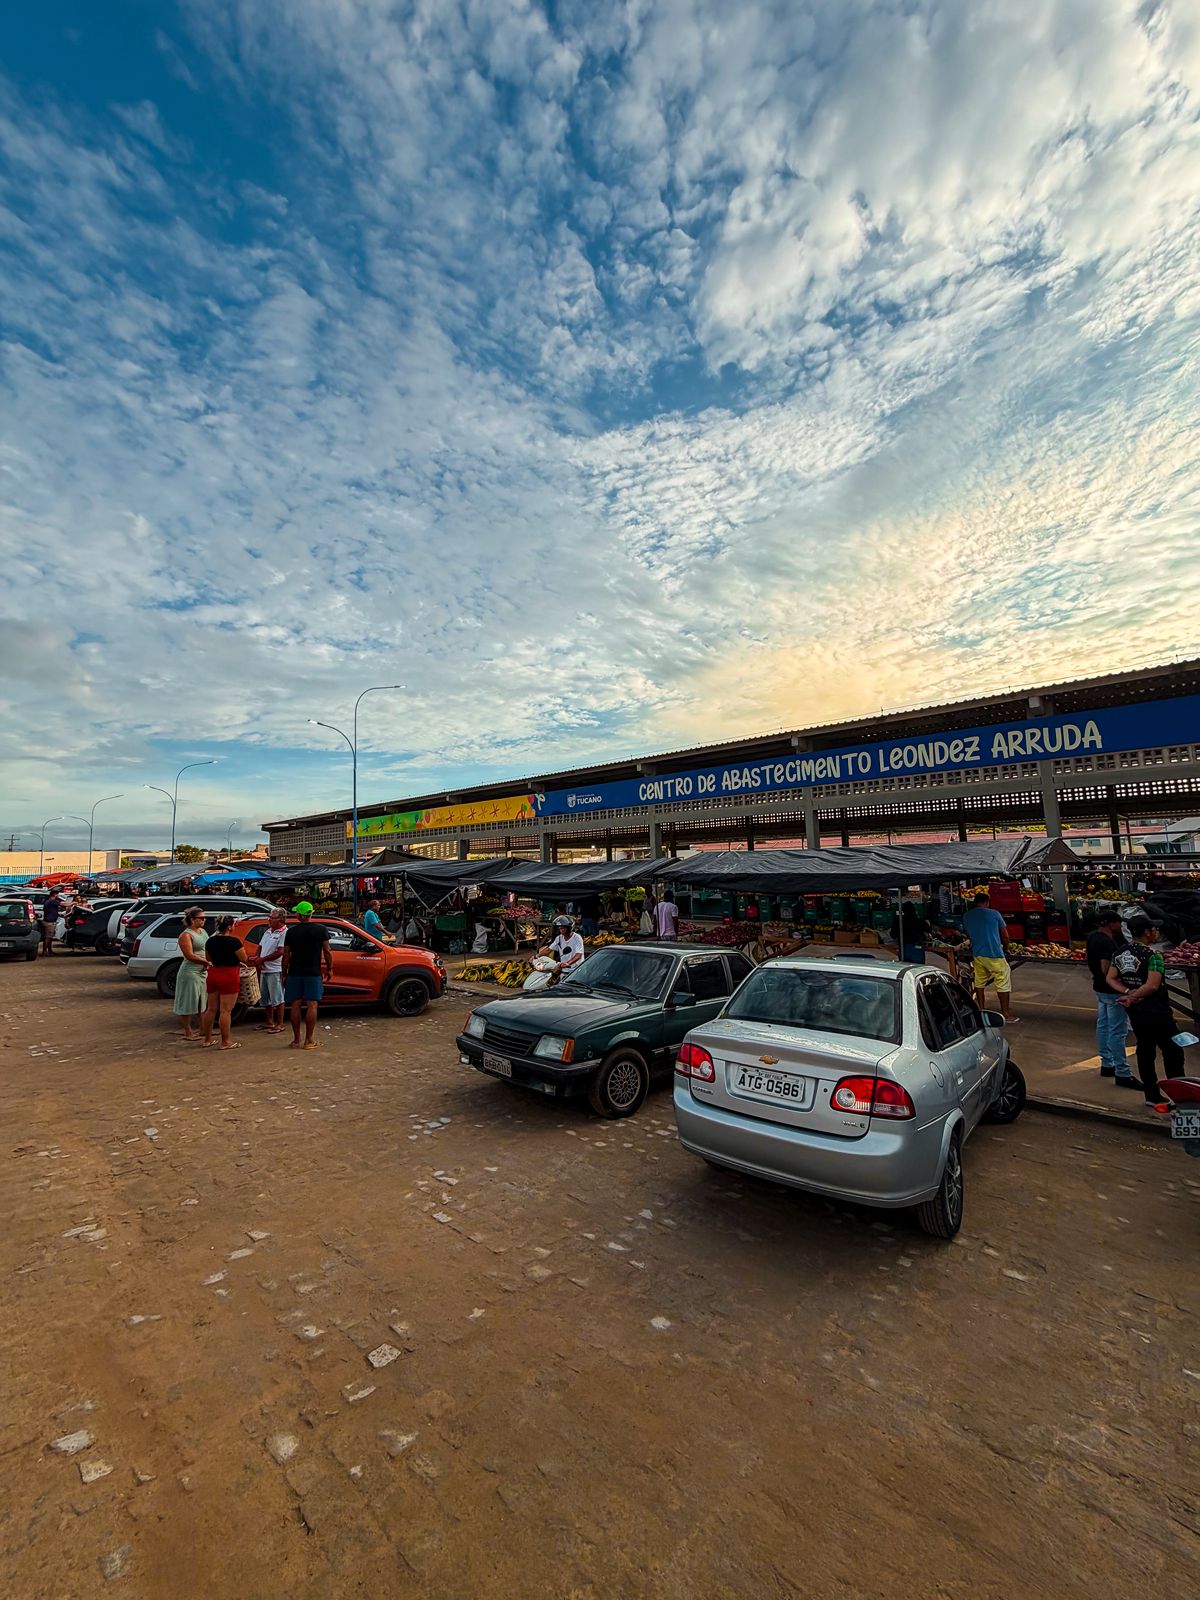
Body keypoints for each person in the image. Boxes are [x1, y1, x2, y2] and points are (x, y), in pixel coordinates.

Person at [1109, 914, 1185, 1109]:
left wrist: (1128, 993)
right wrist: (1134, 995)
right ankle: (1179, 1096)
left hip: (1137, 1013)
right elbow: (1152, 986)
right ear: (1147, 932)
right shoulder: (1153, 956)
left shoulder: (1119, 953)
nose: (1157, 932)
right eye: (1154, 929)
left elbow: (1110, 978)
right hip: (1158, 1011)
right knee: (1173, 1052)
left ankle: (1151, 1094)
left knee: (1145, 1050)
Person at [1086, 910, 1135, 1086]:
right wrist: (1122, 983)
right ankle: (1122, 1072)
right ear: (1111, 924)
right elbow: (1105, 968)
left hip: (1099, 988)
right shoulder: (1106, 942)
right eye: (1118, 923)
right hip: (1112, 991)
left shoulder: (1092, 937)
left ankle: (1107, 1064)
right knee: (1117, 1031)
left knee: (1104, 1025)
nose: (1120, 926)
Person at [282, 901, 332, 1050]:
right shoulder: (321, 930)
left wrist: (284, 973)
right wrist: (330, 968)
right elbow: (327, 951)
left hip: (295, 972)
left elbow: (286, 955)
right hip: (313, 972)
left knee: (295, 1005)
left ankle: (296, 1040)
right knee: (312, 1004)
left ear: (299, 915)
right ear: (310, 914)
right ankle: (309, 1040)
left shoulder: (291, 932)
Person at [962, 890, 1018, 1021]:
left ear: (975, 903)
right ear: (987, 902)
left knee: (979, 981)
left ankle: (981, 1009)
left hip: (978, 953)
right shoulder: (994, 914)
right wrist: (1006, 948)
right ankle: (1005, 1013)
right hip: (994, 953)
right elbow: (1005, 936)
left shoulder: (967, 916)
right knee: (1003, 980)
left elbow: (969, 935)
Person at [200, 915, 246, 1050]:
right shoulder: (234, 942)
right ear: (230, 927)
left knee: (210, 1009)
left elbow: (208, 958)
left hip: (213, 973)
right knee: (225, 1011)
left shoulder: (210, 941)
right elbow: (243, 957)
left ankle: (207, 1039)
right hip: (229, 975)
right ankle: (225, 1041)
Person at [173, 907, 209, 1042]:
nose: (204, 920)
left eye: (204, 918)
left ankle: (203, 1028)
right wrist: (205, 961)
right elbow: (189, 955)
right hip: (190, 971)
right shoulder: (186, 935)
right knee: (188, 1001)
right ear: (192, 920)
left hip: (202, 970)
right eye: (201, 918)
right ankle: (188, 1032)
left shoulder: (202, 932)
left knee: (202, 1000)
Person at [255, 908, 287, 1035]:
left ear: (280, 919)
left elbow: (280, 952)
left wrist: (262, 959)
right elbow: (260, 946)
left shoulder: (284, 932)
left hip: (275, 969)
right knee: (265, 997)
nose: (269, 920)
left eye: (272, 918)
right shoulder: (268, 931)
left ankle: (280, 1023)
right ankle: (269, 1021)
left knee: (277, 998)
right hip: (264, 969)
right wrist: (258, 958)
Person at [890, 900, 928, 964]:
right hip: (917, 947)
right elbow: (929, 929)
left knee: (905, 965)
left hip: (904, 947)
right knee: (918, 966)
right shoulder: (919, 920)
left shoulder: (899, 921)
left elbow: (893, 935)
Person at [41, 890, 63, 955]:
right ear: (54, 894)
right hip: (49, 922)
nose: (58, 896)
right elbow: (63, 904)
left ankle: (49, 951)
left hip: (49, 921)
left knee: (50, 937)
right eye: (57, 894)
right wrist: (73, 903)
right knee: (48, 937)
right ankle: (44, 951)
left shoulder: (48, 901)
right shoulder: (52, 901)